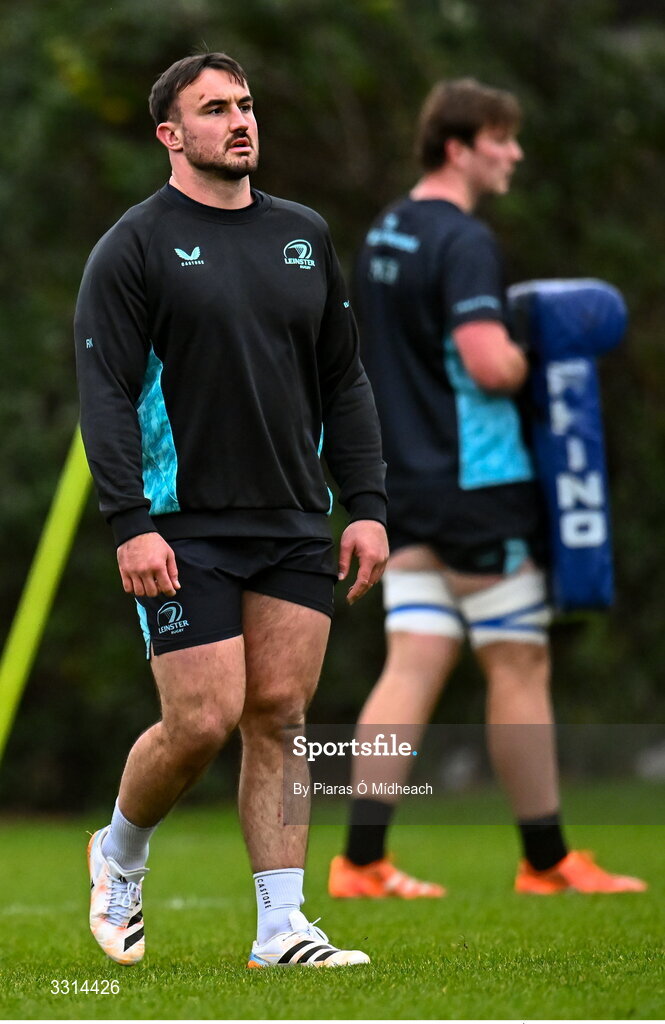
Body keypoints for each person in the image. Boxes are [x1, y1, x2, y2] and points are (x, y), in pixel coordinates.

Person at [75, 52, 389, 968]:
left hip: (294, 516)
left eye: (245, 104)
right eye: (215, 109)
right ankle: (119, 852)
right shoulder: (133, 245)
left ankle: (281, 928)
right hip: (180, 522)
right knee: (203, 719)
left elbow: (344, 381)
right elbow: (104, 392)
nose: (240, 120)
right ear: (171, 135)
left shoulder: (304, 234)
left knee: (282, 716)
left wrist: (364, 504)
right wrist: (127, 521)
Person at [328, 78, 646, 899]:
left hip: (403, 489)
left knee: (413, 661)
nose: (514, 153)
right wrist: (545, 359)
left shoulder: (385, 231)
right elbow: (484, 360)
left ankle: (359, 862)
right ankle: (545, 861)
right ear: (459, 146)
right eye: (501, 138)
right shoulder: (463, 241)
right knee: (518, 662)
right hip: (478, 484)